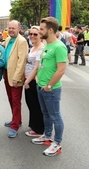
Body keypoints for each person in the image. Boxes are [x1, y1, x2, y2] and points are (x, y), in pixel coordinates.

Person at [31, 17, 67, 157]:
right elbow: (43, 65)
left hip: (51, 89)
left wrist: (49, 85)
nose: (39, 31)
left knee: (55, 116)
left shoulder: (59, 47)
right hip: (41, 86)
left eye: (41, 29)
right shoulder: (47, 45)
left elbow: (61, 70)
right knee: (45, 114)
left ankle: (57, 143)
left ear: (50, 30)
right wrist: (39, 79)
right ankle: (47, 136)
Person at [3, 20, 29, 138]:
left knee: (16, 101)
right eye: (9, 28)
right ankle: (16, 119)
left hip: (15, 76)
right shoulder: (8, 39)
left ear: (19, 29)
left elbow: (21, 61)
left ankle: (15, 126)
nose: (11, 30)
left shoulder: (22, 41)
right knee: (10, 98)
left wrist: (17, 77)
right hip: (6, 73)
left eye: (13, 28)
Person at [23, 26, 45, 137]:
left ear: (40, 35)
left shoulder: (41, 48)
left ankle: (39, 129)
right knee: (31, 103)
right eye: (30, 34)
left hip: (33, 80)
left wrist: (27, 81)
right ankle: (34, 125)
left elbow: (37, 67)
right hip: (28, 78)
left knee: (35, 105)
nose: (32, 36)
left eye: (35, 34)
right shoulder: (32, 47)